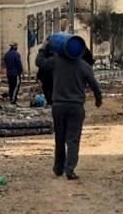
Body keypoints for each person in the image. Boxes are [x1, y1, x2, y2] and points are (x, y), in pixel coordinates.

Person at [35, 38, 103, 180]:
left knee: (59, 138)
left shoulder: (56, 62)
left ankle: (58, 168)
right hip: (76, 107)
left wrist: (43, 48)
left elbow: (39, 63)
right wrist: (98, 100)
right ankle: (70, 169)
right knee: (72, 139)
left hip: (58, 106)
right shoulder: (84, 66)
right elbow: (94, 85)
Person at [36, 38, 54, 106]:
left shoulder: (47, 57)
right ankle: (50, 102)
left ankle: (50, 102)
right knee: (48, 89)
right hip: (49, 77)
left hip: (47, 76)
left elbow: (39, 62)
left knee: (47, 89)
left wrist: (42, 49)